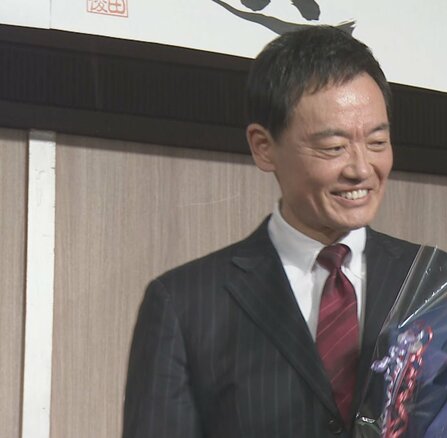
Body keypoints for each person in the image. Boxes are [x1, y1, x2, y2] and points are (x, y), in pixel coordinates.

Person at [123, 26, 422, 437]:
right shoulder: (185, 304)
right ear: (263, 147)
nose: (360, 168)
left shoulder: (438, 284)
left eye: (377, 142)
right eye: (334, 147)